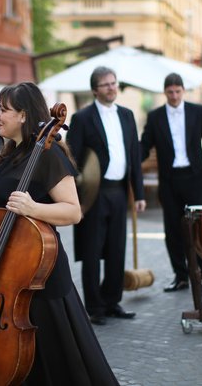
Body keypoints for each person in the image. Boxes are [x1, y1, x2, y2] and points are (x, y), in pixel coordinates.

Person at [0, 81, 119, 385]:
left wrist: (32, 207)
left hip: (36, 275)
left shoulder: (49, 155)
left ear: (24, 115)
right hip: (4, 269)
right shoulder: (8, 153)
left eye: (4, 109)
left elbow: (73, 211)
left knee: (53, 366)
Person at [66, 66, 146, 326]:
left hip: (120, 191)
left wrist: (139, 193)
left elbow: (134, 155)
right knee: (92, 250)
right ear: (94, 90)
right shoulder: (82, 118)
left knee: (116, 249)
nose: (112, 88)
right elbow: (72, 159)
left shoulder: (127, 115)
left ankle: (112, 301)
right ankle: (94, 306)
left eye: (114, 83)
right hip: (94, 194)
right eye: (105, 84)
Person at [140, 72, 202, 296]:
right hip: (169, 181)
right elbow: (144, 146)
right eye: (170, 92)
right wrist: (129, 162)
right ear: (165, 92)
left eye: (177, 91)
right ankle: (181, 277)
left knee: (200, 230)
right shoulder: (155, 116)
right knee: (173, 232)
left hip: (195, 179)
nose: (174, 96)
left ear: (183, 91)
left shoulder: (197, 112)